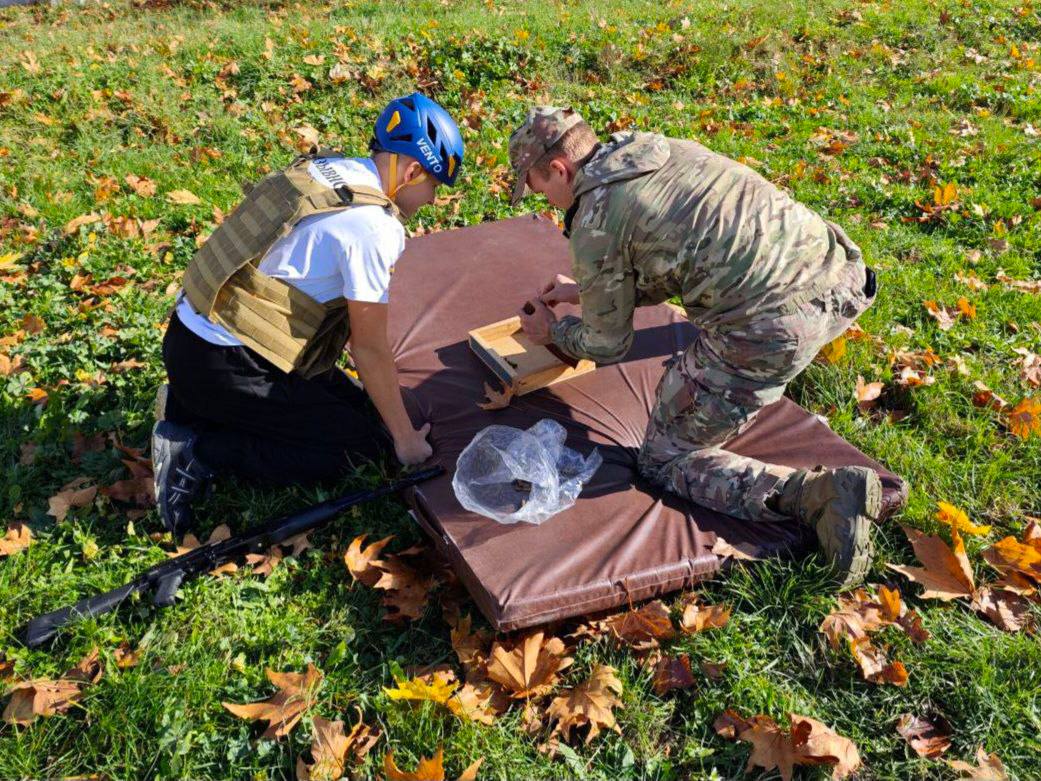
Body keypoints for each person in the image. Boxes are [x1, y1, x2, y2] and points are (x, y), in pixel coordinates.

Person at [510, 106, 881, 587]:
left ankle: (817, 496)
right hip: (842, 275)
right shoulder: (656, 152)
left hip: (775, 326)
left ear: (559, 170)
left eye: (542, 190)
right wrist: (591, 289)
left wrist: (553, 334)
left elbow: (607, 344)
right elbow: (670, 250)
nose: (548, 202)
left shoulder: (596, 219)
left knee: (663, 460)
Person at [152, 92, 464, 535]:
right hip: (225, 364)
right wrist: (407, 439)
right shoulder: (374, 227)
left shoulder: (325, 170)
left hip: (191, 335)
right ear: (412, 171)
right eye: (433, 186)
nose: (432, 200)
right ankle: (199, 447)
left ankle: (189, 405)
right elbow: (370, 348)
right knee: (358, 448)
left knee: (364, 414)